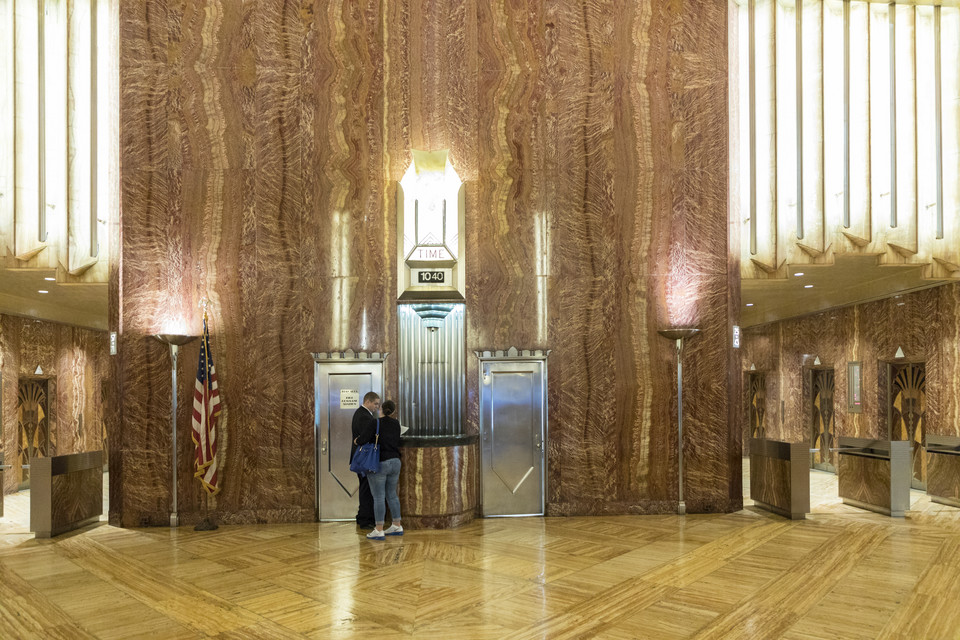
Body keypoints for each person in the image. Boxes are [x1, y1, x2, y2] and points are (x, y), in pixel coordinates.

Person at [355, 399, 403, 540]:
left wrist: (356, 441)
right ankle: (397, 525)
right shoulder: (396, 424)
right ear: (393, 411)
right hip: (395, 462)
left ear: (381, 408)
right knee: (392, 495)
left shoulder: (374, 423)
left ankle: (379, 529)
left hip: (380, 463)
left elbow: (363, 439)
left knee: (378, 497)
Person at [350, 391, 380, 528]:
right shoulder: (364, 416)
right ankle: (365, 520)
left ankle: (362, 516)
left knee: (365, 487)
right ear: (367, 401)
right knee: (366, 489)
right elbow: (367, 437)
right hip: (364, 459)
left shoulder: (361, 414)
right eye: (375, 404)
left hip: (362, 458)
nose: (377, 407)